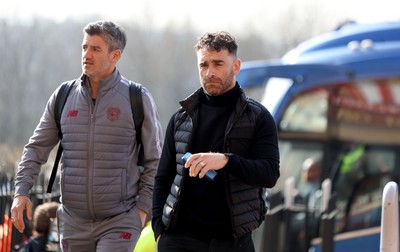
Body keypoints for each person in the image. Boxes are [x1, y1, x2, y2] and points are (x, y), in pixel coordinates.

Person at [11, 20, 163, 252]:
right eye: (84, 47)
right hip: (72, 222)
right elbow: (36, 148)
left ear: (115, 55)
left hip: (119, 222)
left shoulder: (136, 98)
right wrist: (21, 192)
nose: (87, 54)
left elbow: (155, 160)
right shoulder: (63, 95)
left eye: (95, 49)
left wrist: (141, 211)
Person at [152, 31, 280, 252]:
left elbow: (269, 174)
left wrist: (226, 161)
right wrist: (159, 230)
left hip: (232, 241)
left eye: (218, 64)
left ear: (236, 66)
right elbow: (163, 177)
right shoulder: (180, 119)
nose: (209, 72)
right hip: (179, 239)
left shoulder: (258, 117)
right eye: (203, 65)